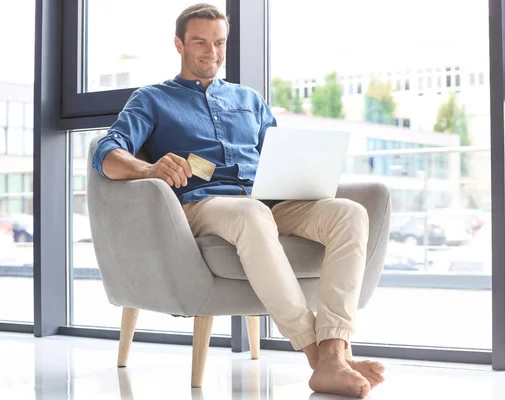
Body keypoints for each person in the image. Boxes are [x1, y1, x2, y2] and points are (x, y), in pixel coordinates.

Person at [91, 3, 384, 398]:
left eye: (218, 42)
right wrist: (149, 169)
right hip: (205, 205)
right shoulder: (153, 99)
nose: (211, 52)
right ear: (179, 44)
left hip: (270, 200)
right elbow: (106, 151)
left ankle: (336, 349)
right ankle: (319, 358)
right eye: (199, 42)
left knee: (349, 213)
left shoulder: (249, 99)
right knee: (250, 215)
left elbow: (279, 153)